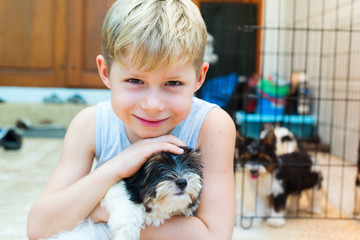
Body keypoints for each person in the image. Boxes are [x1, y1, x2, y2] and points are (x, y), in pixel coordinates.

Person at [27, 0, 236, 239]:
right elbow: (39, 227)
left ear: (199, 77)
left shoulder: (211, 125)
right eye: (135, 81)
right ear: (106, 72)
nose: (153, 105)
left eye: (173, 83)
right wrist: (117, 166)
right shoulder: (90, 124)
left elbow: (215, 235)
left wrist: (106, 212)